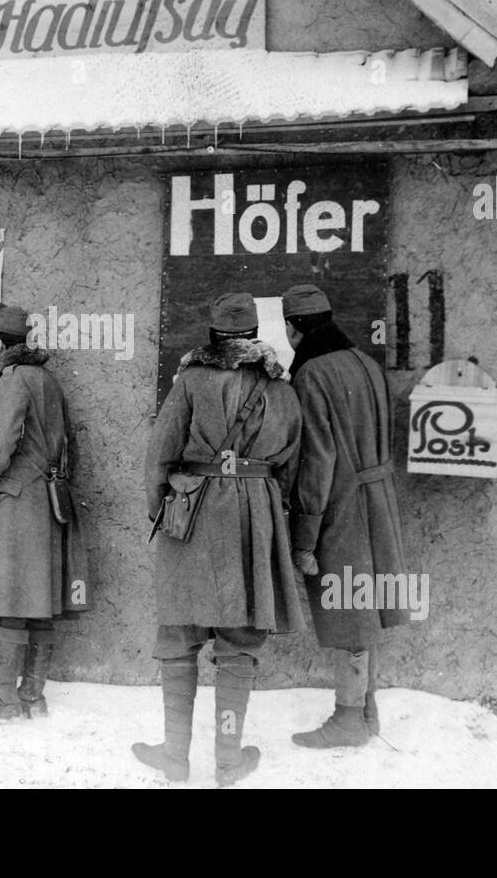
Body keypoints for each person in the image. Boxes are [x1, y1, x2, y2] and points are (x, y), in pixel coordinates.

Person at [134, 293, 303, 786]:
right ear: (254, 334)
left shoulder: (190, 381)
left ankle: (174, 758)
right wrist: (271, 509)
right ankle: (228, 763)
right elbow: (291, 463)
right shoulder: (281, 389)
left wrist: (162, 510)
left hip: (192, 510)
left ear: (214, 335)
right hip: (256, 516)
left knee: (179, 634)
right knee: (240, 639)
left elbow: (158, 456)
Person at [283, 284, 410, 748]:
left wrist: (305, 537)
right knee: (366, 604)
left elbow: (316, 465)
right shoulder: (367, 364)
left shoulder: (311, 375)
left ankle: (349, 719)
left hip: (342, 507)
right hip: (380, 499)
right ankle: (367, 708)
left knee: (348, 609)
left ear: (295, 328)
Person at [0, 302, 81, 723]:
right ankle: (32, 697)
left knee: (9, 599)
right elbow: (69, 446)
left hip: (14, 501)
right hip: (47, 502)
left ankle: (2, 696)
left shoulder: (13, 379)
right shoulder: (47, 379)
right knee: (39, 599)